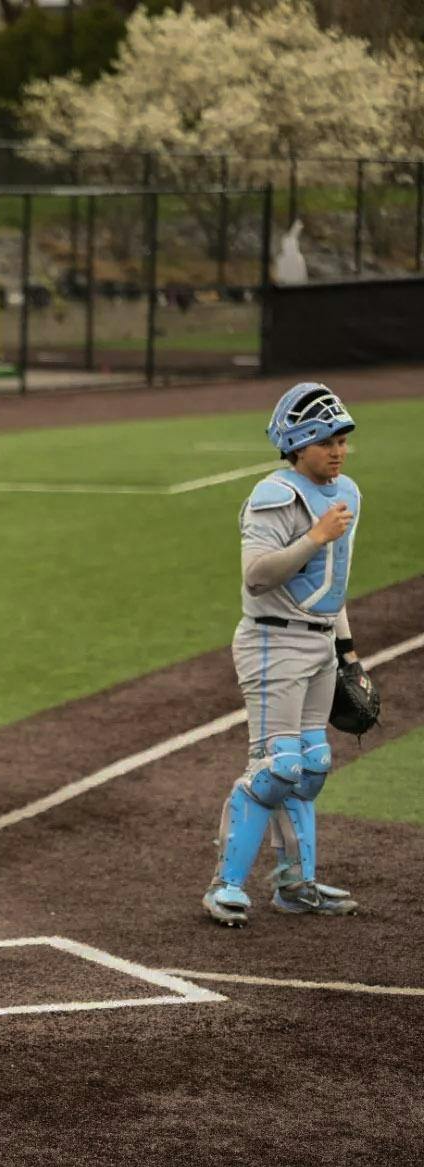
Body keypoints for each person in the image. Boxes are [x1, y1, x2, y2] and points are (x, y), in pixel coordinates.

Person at [203, 383, 370, 926]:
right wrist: (315, 537)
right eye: (327, 442)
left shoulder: (347, 492)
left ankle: (296, 887)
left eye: (343, 440)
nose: (338, 451)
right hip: (273, 640)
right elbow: (257, 577)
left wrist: (347, 653)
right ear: (298, 446)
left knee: (312, 766)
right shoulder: (274, 495)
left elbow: (333, 582)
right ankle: (225, 885)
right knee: (277, 768)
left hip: (319, 641)